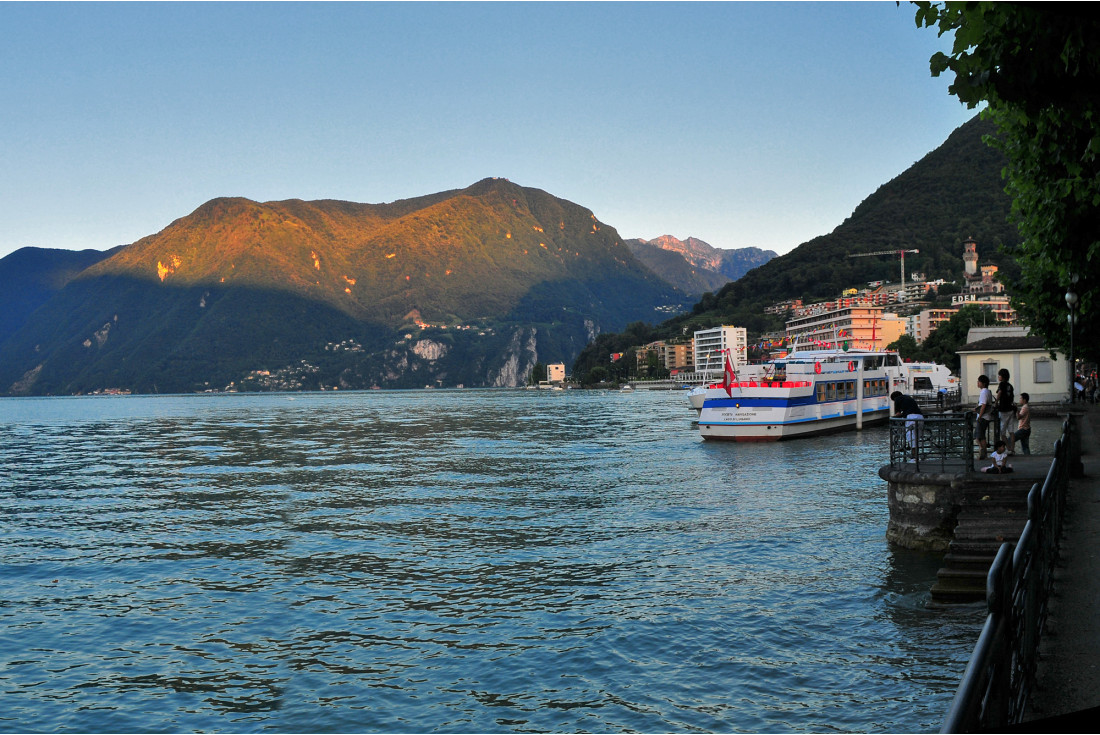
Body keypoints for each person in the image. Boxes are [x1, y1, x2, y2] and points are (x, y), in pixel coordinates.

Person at [891, 390, 923, 460]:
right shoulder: (908, 398)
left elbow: (898, 413)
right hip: (920, 416)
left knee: (911, 436)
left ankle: (914, 457)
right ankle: (917, 455)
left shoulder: (897, 399)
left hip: (911, 417)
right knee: (917, 437)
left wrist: (896, 416)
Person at [996, 368, 1016, 453]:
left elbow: (999, 393)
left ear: (1002, 376)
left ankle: (1007, 448)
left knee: (1002, 432)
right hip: (1011, 409)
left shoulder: (1002, 384)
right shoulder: (1010, 386)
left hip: (1003, 409)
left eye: (999, 375)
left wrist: (996, 402)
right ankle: (1012, 449)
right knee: (1011, 431)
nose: (998, 377)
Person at [975, 374, 992, 460]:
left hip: (983, 417)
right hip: (987, 416)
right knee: (981, 436)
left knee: (978, 436)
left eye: (979, 381)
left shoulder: (984, 392)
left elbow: (983, 405)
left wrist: (980, 416)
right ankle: (983, 452)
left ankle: (982, 451)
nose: (977, 383)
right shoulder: (988, 391)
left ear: (983, 383)